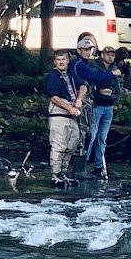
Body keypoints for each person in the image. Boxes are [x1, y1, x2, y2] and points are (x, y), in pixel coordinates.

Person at [43, 48, 84, 185]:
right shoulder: (52, 76)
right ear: (54, 62)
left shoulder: (71, 75)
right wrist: (70, 108)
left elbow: (84, 85)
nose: (61, 62)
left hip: (72, 116)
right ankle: (55, 175)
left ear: (68, 61)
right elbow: (54, 98)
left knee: (72, 145)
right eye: (58, 60)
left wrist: (79, 99)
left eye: (63, 59)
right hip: (59, 115)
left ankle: (64, 173)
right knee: (58, 146)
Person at [80, 47, 119, 181]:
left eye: (113, 54)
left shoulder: (115, 69)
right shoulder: (95, 67)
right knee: (91, 135)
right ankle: (82, 165)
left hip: (109, 107)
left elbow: (117, 88)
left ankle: (99, 165)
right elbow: (95, 82)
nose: (110, 57)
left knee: (103, 138)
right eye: (108, 54)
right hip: (96, 106)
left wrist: (113, 98)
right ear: (102, 55)